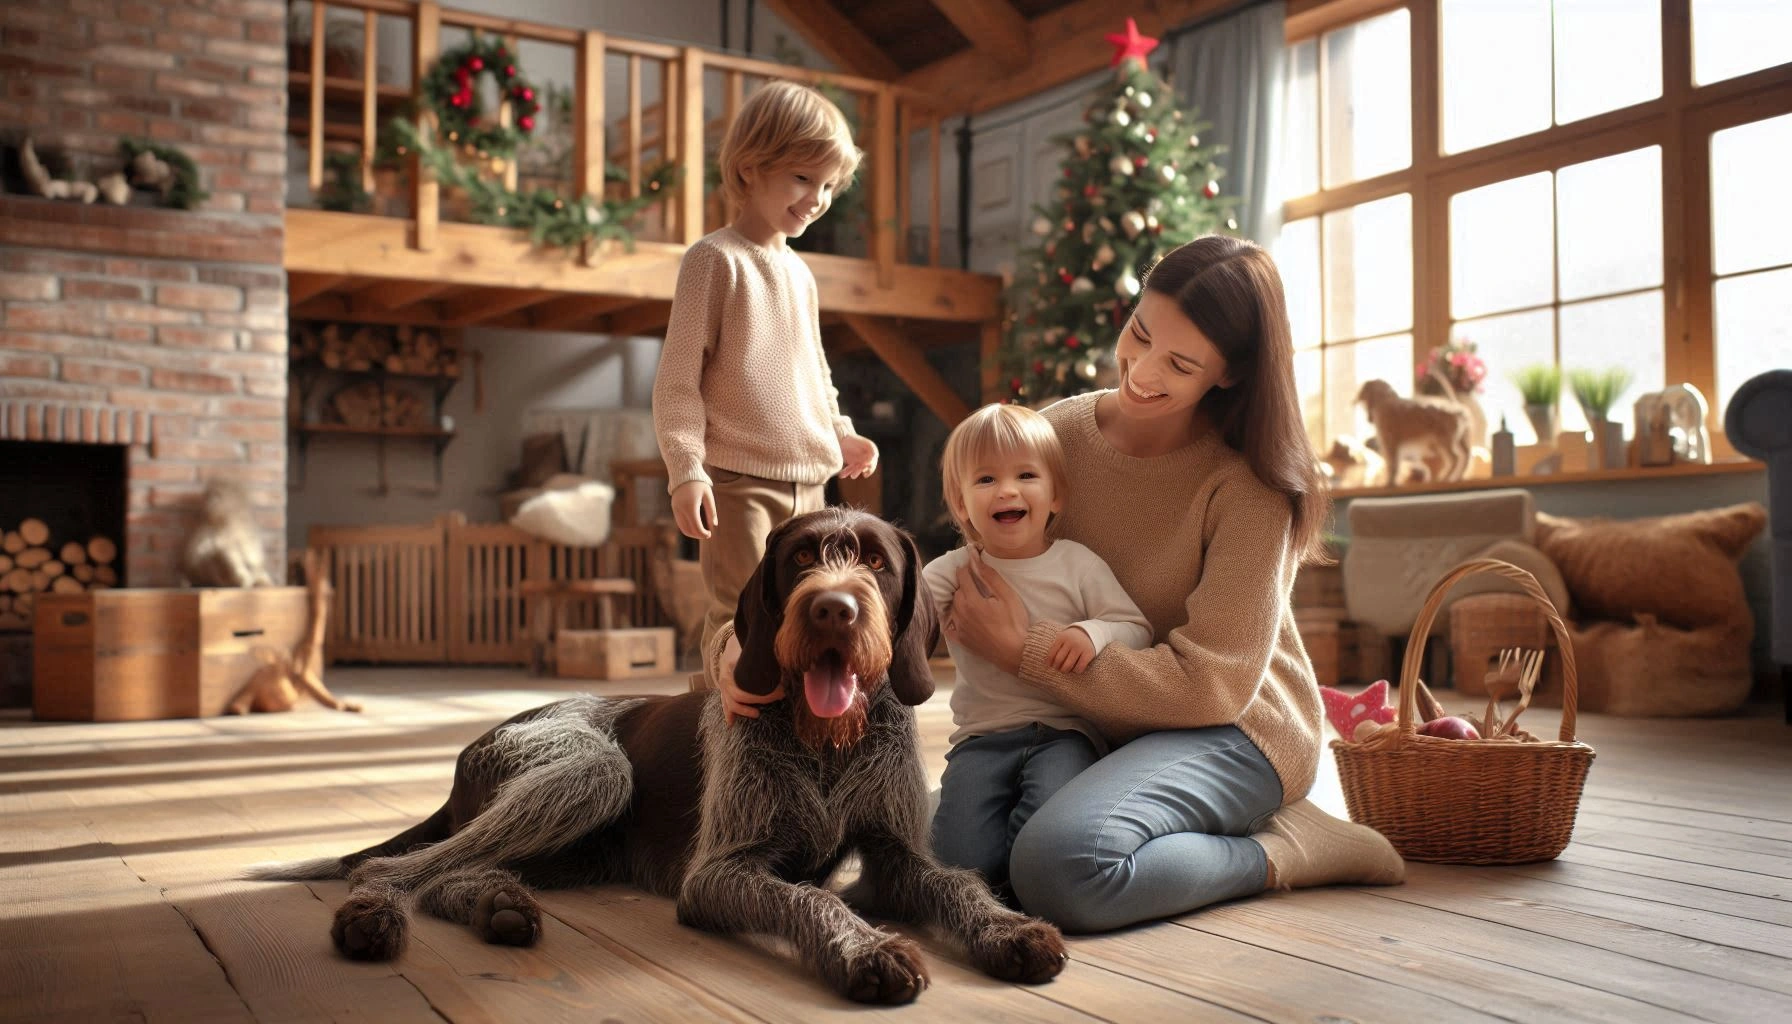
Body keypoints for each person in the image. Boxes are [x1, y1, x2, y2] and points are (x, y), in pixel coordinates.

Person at [710, 234, 1405, 934]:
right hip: (1088, 728)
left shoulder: (1250, 487)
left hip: (1235, 731)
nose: (1141, 371)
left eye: (1181, 363)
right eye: (1139, 332)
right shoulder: (1056, 432)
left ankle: (1287, 847)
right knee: (958, 865)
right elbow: (940, 589)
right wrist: (745, 645)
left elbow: (1214, 686)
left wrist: (1029, 652)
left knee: (1062, 872)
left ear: (1229, 376)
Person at [653, 81, 880, 685]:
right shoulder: (713, 260)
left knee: (805, 617)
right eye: (804, 178)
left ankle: (790, 727)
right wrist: (687, 469)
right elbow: (678, 379)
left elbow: (815, 371)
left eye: (830, 186)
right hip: (738, 481)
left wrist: (841, 432)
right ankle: (721, 722)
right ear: (751, 169)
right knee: (740, 613)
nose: (818, 199)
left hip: (813, 484)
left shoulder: (801, 274)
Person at [923, 403, 1151, 896]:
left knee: (1042, 827)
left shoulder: (1078, 564)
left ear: (1055, 498)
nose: (1006, 490)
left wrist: (1092, 633)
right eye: (985, 480)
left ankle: (1019, 884)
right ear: (961, 505)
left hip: (1065, 734)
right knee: (956, 859)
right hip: (981, 740)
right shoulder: (950, 571)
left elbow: (1135, 627)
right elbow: (898, 616)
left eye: (1025, 475)